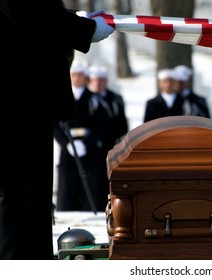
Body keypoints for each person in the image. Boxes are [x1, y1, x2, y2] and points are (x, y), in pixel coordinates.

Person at [0, 1, 114, 259]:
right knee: (19, 200)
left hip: (23, 100)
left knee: (30, 201)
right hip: (19, 100)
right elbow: (26, 9)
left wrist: (72, 19)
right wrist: (84, 29)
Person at [54, 61, 107, 212]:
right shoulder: (62, 97)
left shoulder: (94, 99)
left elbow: (100, 124)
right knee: (67, 181)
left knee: (89, 180)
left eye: (81, 76)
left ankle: (89, 209)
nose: (77, 79)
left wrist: (88, 143)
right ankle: (65, 210)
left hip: (88, 145)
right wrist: (66, 143)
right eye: (74, 75)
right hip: (68, 144)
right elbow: (56, 125)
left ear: (86, 78)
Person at [87, 64, 129, 209]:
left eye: (101, 80)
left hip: (110, 144)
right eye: (95, 80)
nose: (98, 83)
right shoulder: (86, 98)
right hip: (91, 146)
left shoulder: (115, 98)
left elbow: (122, 122)